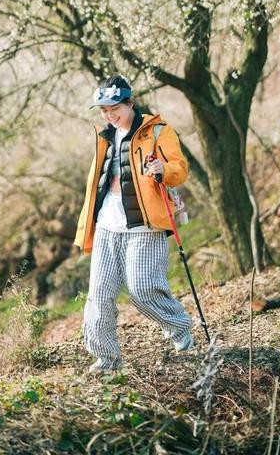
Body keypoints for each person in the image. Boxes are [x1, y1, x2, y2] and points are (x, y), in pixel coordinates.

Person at [74, 74, 194, 372]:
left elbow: (180, 169)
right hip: (106, 225)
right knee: (99, 295)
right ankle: (106, 357)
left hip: (144, 225)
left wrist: (162, 168)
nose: (109, 115)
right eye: (104, 110)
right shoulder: (104, 136)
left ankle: (178, 327)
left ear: (130, 102)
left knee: (142, 288)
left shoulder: (158, 131)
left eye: (114, 108)